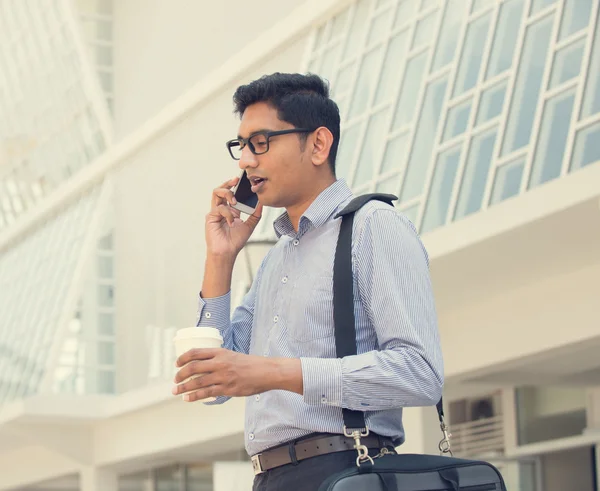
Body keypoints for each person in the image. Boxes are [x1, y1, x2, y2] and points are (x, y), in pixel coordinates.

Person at [172, 72, 444, 491]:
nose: (245, 161)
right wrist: (220, 257)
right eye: (241, 146)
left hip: (346, 467)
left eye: (260, 143)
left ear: (318, 144)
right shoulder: (276, 258)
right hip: (272, 477)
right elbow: (212, 386)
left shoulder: (375, 227)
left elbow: (420, 373)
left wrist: (274, 373)